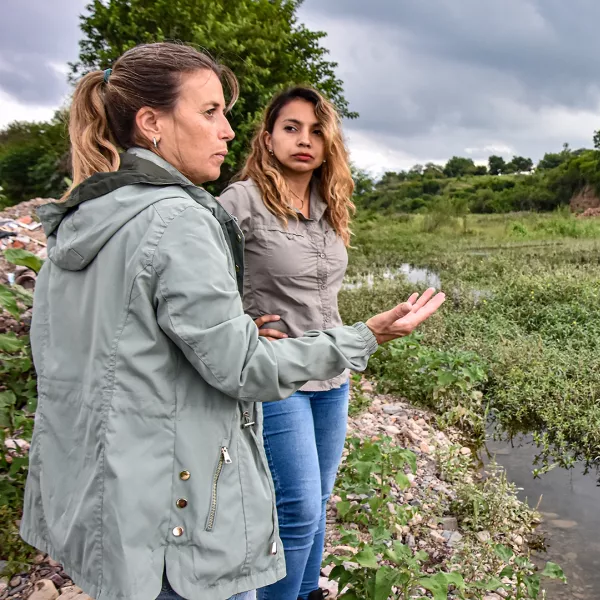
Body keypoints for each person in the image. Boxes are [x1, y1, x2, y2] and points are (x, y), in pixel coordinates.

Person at [21, 42, 445, 600]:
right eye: (210, 111)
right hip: (184, 507)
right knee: (292, 508)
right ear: (151, 122)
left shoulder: (85, 218)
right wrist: (369, 334)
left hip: (123, 502)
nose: (226, 129)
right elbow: (240, 364)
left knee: (312, 504)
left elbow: (84, 356)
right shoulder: (191, 216)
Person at [215, 86, 363, 600]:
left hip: (333, 373)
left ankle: (302, 594)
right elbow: (196, 277)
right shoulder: (241, 201)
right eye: (291, 127)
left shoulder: (331, 204)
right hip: (277, 375)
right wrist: (239, 322)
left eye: (317, 130)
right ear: (269, 137)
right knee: (296, 507)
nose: (305, 140)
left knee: (317, 502)